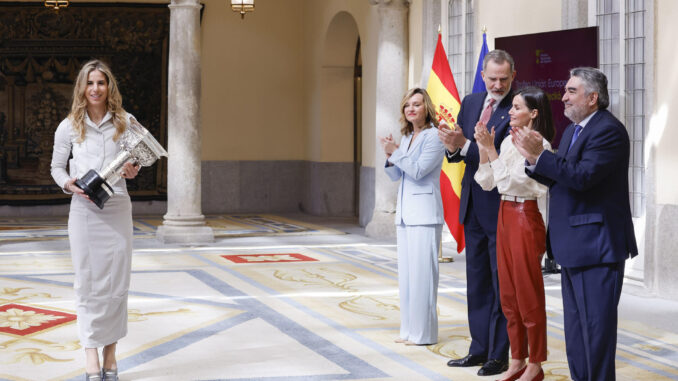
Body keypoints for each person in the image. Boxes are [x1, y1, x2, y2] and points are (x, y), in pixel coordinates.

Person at [511, 67, 638, 381]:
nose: (564, 97)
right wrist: (533, 160)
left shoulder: (608, 131)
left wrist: (541, 153)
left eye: (571, 91)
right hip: (573, 246)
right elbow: (562, 177)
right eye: (565, 90)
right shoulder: (573, 131)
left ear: (592, 98)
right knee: (577, 335)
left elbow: (582, 177)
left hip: (597, 246)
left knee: (596, 334)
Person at [51, 60, 141, 381]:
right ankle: (91, 355)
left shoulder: (126, 122)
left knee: (117, 283)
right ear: (82, 87)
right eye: (90, 83)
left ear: (109, 86)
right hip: (84, 212)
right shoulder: (68, 125)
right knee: (87, 283)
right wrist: (68, 183)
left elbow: (136, 160)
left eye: (101, 82)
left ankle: (111, 355)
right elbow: (57, 168)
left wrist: (134, 169)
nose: (95, 88)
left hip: (117, 209)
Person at [438, 49, 515, 376]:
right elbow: (459, 158)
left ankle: (498, 354)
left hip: (500, 207)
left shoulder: (519, 108)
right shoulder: (470, 102)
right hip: (472, 206)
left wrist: (466, 146)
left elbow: (502, 158)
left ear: (513, 76)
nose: (497, 85)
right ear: (483, 75)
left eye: (504, 79)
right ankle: (478, 348)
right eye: (492, 78)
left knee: (501, 286)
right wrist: (453, 146)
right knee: (477, 283)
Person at [474, 87, 554, 381]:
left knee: (528, 293)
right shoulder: (508, 140)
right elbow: (487, 182)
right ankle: (517, 358)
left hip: (525, 217)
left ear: (533, 113)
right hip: (504, 215)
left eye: (517, 107)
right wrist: (485, 150)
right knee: (508, 294)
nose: (510, 111)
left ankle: (536, 362)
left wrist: (491, 150)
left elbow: (515, 183)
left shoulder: (537, 143)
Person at [380, 88, 445, 345]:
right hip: (406, 215)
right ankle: (408, 330)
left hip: (425, 214)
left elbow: (418, 171)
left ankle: (424, 333)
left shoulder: (434, 137)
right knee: (407, 278)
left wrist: (395, 152)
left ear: (426, 108)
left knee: (423, 278)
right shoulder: (407, 138)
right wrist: (390, 157)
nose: (411, 109)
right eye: (407, 105)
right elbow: (398, 175)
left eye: (416, 104)